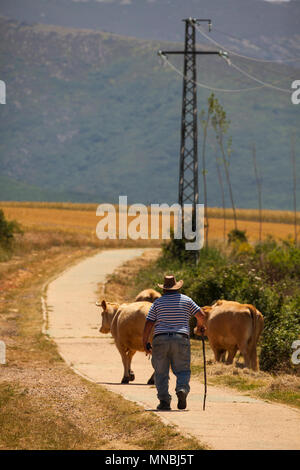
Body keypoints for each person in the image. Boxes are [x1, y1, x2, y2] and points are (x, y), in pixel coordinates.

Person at [142, 274, 206, 411]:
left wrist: (145, 342)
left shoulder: (157, 303)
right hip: (181, 338)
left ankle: (164, 401)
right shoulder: (186, 300)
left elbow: (149, 323)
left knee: (160, 372)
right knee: (182, 369)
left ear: (164, 289)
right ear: (177, 288)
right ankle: (182, 389)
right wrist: (200, 326)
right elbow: (201, 315)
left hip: (160, 339)